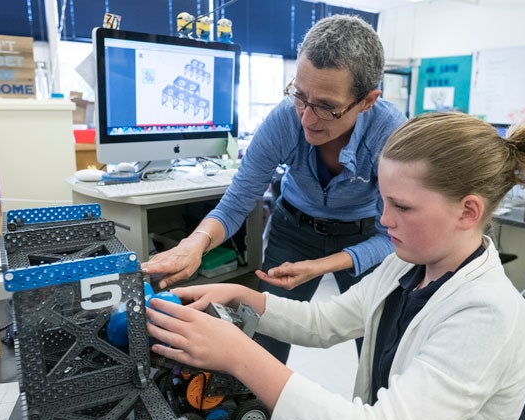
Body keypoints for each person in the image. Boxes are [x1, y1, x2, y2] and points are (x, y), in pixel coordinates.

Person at [145, 112, 525, 420]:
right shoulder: (408, 265)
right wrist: (241, 297)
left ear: (468, 212)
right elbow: (324, 324)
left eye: (402, 206)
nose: (383, 219)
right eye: (383, 200)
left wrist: (239, 355)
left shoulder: (488, 315)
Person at [141, 14, 406, 363]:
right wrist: (195, 244)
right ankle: (257, 418)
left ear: (368, 100)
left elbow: (393, 235)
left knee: (375, 342)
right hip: (293, 232)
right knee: (265, 338)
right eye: (300, 95)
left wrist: (321, 265)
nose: (307, 118)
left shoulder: (390, 134)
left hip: (364, 236)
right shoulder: (285, 119)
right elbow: (237, 201)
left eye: (326, 107)